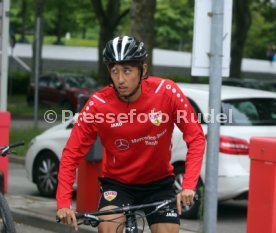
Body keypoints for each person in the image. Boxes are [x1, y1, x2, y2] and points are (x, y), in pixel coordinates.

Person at [56, 35, 206, 233]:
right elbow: (71, 153)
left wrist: (188, 185)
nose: (120, 79)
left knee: (168, 230)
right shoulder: (98, 105)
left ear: (142, 70)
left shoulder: (166, 92)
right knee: (108, 226)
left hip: (159, 184)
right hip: (118, 185)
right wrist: (64, 203)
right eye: (114, 71)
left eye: (127, 70)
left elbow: (196, 138)